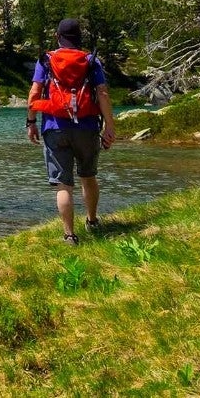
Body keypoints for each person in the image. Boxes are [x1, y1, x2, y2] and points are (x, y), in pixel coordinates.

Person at [27, 18, 116, 245]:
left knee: (63, 185)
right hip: (87, 126)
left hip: (54, 128)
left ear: (58, 37)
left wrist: (31, 122)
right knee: (88, 176)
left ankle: (69, 235)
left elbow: (35, 92)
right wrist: (109, 126)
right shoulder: (90, 60)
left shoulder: (47, 60)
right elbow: (103, 93)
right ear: (79, 39)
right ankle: (92, 221)